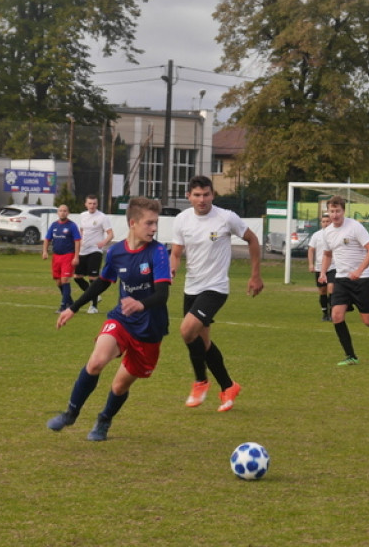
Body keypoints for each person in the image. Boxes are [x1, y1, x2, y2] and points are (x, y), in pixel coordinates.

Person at [46, 197, 170, 441]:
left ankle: (104, 420)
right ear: (133, 223)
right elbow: (103, 282)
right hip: (122, 320)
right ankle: (71, 413)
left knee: (119, 387)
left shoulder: (158, 252)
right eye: (149, 223)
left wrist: (140, 303)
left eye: (156, 223)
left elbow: (163, 293)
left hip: (150, 330)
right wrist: (73, 307)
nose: (154, 229)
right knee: (95, 362)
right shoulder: (116, 252)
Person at [170, 174, 263, 411]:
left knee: (186, 330)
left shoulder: (226, 218)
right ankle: (228, 386)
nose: (202, 199)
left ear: (213, 194)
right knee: (202, 341)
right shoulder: (181, 220)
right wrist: (171, 269)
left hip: (216, 287)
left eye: (206, 194)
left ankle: (201, 381)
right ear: (188, 196)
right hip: (192, 287)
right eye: (197, 195)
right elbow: (177, 252)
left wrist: (255, 275)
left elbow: (252, 240)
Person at [318, 194, 369, 365]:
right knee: (336, 315)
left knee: (368, 321)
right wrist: (323, 272)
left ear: (344, 211)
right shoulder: (327, 233)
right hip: (341, 279)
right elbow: (327, 254)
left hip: (362, 279)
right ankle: (351, 356)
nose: (335, 215)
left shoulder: (355, 227)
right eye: (332, 211)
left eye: (338, 211)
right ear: (327, 212)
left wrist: (359, 270)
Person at [73, 195, 114, 314]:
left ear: (97, 204)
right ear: (86, 204)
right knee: (77, 277)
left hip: (95, 251)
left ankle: (94, 307)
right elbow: (81, 231)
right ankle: (94, 294)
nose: (92, 206)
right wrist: (79, 243)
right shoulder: (82, 216)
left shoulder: (102, 217)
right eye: (90, 203)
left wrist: (103, 242)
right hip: (83, 250)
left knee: (93, 278)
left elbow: (111, 234)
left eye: (94, 203)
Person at [42, 204, 81, 313]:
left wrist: (76, 256)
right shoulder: (54, 225)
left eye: (65, 211)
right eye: (60, 210)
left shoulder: (72, 226)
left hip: (68, 256)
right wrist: (45, 251)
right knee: (59, 282)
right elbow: (47, 239)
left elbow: (77, 241)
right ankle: (70, 302)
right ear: (57, 213)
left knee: (65, 280)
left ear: (68, 213)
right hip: (56, 256)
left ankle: (63, 306)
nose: (62, 212)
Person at [307, 213, 335, 321]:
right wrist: (310, 264)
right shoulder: (316, 235)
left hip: (333, 267)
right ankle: (325, 313)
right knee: (322, 291)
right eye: (323, 222)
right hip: (319, 267)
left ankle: (333, 313)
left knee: (331, 289)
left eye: (327, 221)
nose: (326, 223)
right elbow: (311, 249)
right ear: (321, 223)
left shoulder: (335, 234)